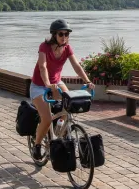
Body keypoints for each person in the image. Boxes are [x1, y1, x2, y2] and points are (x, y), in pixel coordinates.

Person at [30, 19, 93, 160]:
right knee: (46, 119)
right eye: (61, 34)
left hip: (57, 83)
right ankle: (38, 145)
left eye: (66, 34)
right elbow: (43, 67)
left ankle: (59, 131)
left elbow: (76, 65)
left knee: (68, 106)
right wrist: (47, 83)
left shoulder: (67, 48)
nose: (64, 37)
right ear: (54, 35)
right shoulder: (44, 47)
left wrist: (87, 81)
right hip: (39, 85)